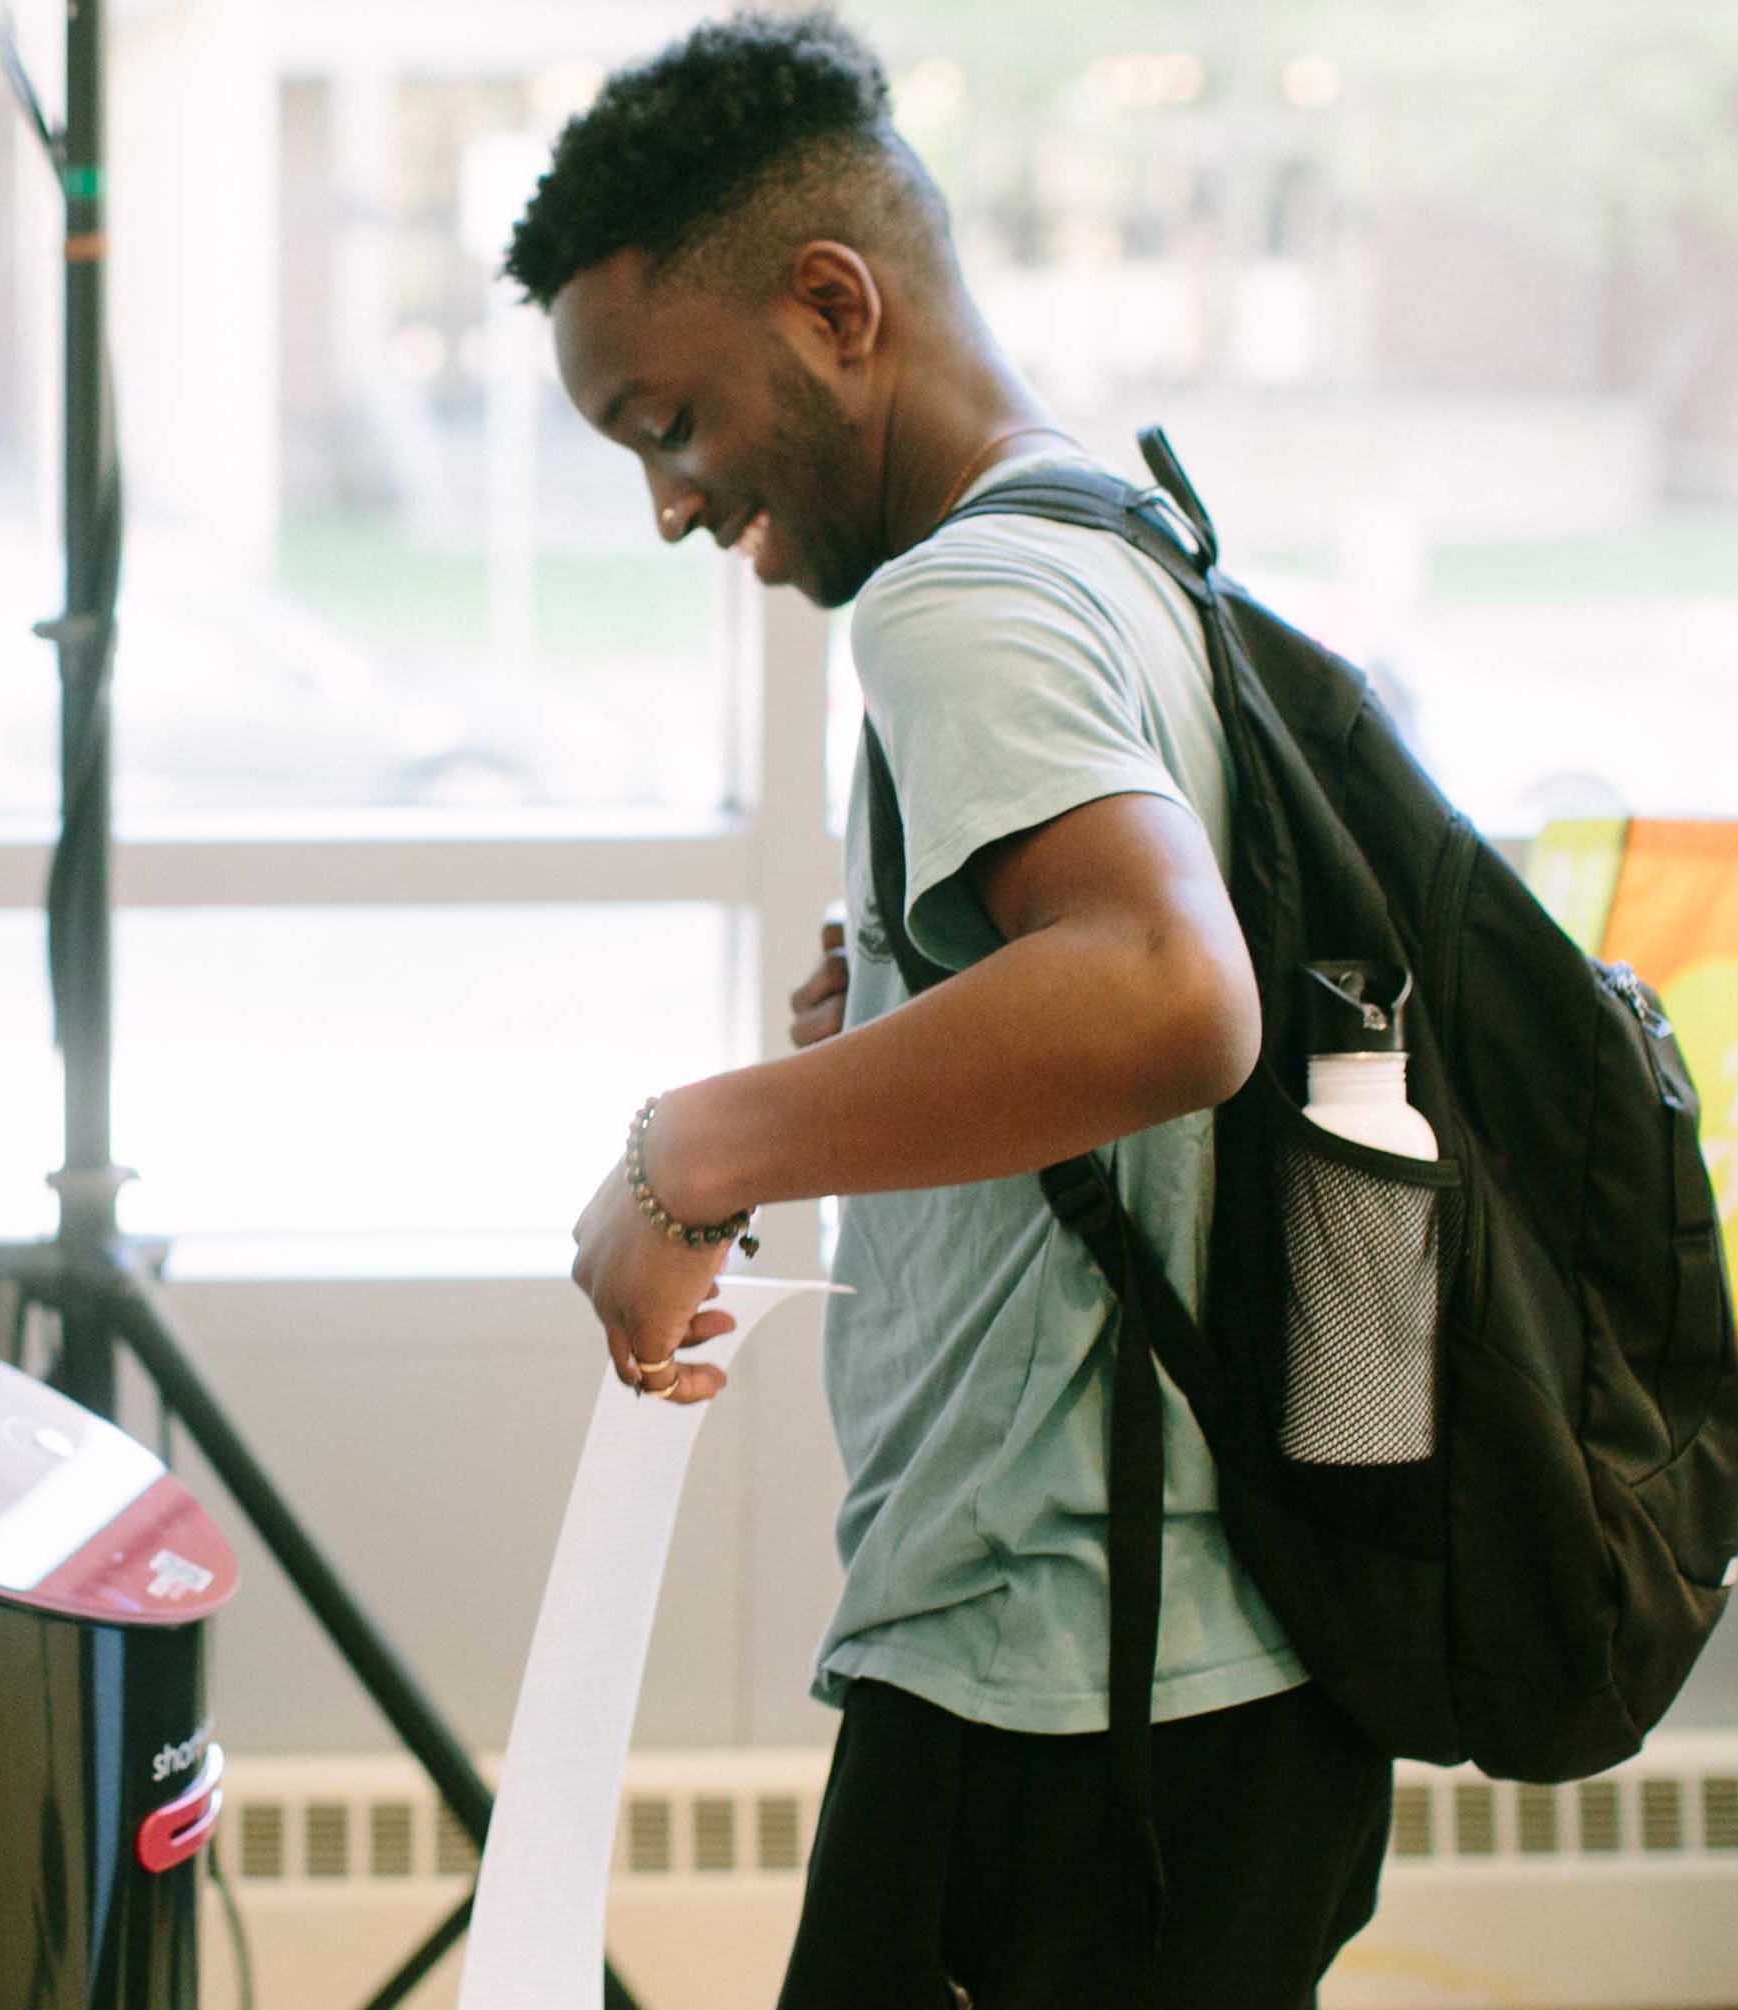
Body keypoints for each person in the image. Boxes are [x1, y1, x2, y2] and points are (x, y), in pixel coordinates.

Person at [523, 16, 1384, 2006]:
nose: (667, 502)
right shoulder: (1117, 534)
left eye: (668, 424)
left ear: (831, 307)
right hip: (1212, 1662)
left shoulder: (956, 603)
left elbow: (1172, 993)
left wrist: (694, 1155)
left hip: (1071, 1687)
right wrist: (917, 1008)